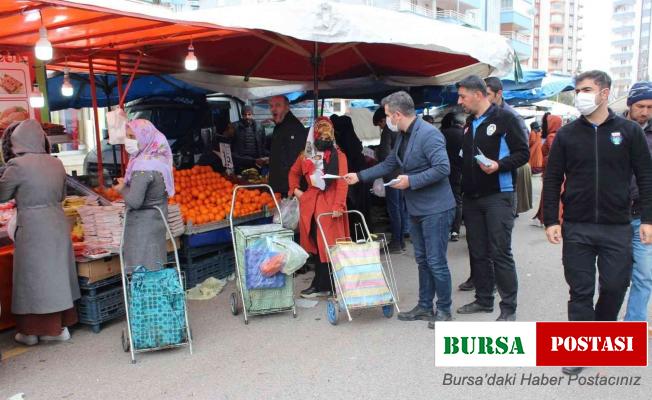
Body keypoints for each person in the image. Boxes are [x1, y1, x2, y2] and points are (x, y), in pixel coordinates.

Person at [543, 71, 652, 376]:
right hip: (577, 227)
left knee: (616, 285)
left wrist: (648, 219)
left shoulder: (629, 132)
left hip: (617, 225)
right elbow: (552, 179)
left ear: (605, 93)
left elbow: (645, 176)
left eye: (587, 89)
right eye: (577, 90)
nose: (580, 95)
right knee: (580, 290)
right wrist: (552, 219)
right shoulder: (567, 134)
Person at [344, 91, 456, 325]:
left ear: (397, 114)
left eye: (387, 115)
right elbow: (390, 163)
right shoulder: (404, 136)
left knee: (436, 261)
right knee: (423, 260)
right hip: (416, 208)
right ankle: (425, 306)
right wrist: (360, 176)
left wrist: (411, 181)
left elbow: (443, 168)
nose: (387, 121)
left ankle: (444, 309)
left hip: (436, 208)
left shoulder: (429, 134)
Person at [455, 76, 529, 322]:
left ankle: (509, 308)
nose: (460, 101)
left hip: (499, 195)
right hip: (473, 198)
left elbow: (523, 154)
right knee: (477, 251)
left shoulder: (505, 119)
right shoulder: (469, 123)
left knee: (500, 252)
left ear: (479, 94)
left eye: (463, 96)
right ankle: (484, 299)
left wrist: (498, 165)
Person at [0, 119, 80, 345]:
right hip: (56, 221)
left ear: (16, 140)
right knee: (56, 274)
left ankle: (32, 331)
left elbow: (2, 195)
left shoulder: (17, 166)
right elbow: (63, 195)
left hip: (32, 226)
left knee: (32, 278)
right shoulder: (56, 163)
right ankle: (59, 327)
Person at [288, 117, 349, 298]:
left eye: (327, 137)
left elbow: (342, 182)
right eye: (321, 136)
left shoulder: (340, 156)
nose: (324, 140)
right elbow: (293, 172)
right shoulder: (305, 155)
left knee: (331, 245)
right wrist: (296, 191)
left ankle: (335, 284)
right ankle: (322, 283)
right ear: (314, 136)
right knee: (316, 243)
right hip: (311, 205)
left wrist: (339, 204)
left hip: (331, 205)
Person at [114, 119, 175, 271]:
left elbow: (135, 201)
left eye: (133, 137)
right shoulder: (160, 160)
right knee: (156, 269)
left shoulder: (143, 166)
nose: (129, 141)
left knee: (142, 274)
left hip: (141, 230)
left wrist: (122, 188)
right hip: (157, 224)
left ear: (144, 137)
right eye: (127, 136)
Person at [622, 81, 652, 325]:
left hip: (644, 217)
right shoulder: (613, 130)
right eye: (640, 105)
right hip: (614, 218)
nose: (645, 112)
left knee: (644, 276)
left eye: (650, 107)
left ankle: (634, 327)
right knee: (613, 278)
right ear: (629, 104)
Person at [485, 77, 533, 215]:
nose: (484, 99)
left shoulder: (512, 117)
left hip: (503, 180)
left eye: (487, 94)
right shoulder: (481, 116)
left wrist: (499, 164)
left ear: (498, 93)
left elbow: (522, 152)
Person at [373, 107, 408, 253]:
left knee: (394, 209)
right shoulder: (400, 128)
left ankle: (395, 243)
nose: (380, 128)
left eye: (379, 124)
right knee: (401, 208)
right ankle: (401, 241)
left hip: (392, 176)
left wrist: (378, 154)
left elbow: (386, 154)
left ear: (383, 119)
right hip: (402, 173)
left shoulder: (388, 129)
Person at [268, 95, 308, 196]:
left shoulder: (294, 128)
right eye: (271, 106)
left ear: (287, 107)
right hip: (280, 187)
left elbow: (296, 161)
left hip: (288, 189)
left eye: (278, 105)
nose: (273, 109)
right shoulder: (279, 126)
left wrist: (292, 189)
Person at [533, 114, 563, 225]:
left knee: (550, 193)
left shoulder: (551, 136)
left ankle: (551, 219)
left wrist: (546, 160)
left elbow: (553, 154)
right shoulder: (560, 135)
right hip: (554, 170)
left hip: (550, 170)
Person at [440, 112, 464, 243]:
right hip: (459, 172)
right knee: (458, 201)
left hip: (442, 172)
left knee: (442, 201)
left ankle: (443, 229)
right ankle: (455, 231)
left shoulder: (442, 133)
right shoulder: (466, 135)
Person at [231, 106, 268, 174]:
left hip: (256, 162)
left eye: (249, 114)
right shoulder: (234, 127)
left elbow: (263, 144)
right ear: (242, 115)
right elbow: (230, 145)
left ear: (252, 114)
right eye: (245, 115)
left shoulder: (259, 127)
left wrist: (264, 158)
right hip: (241, 163)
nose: (247, 117)